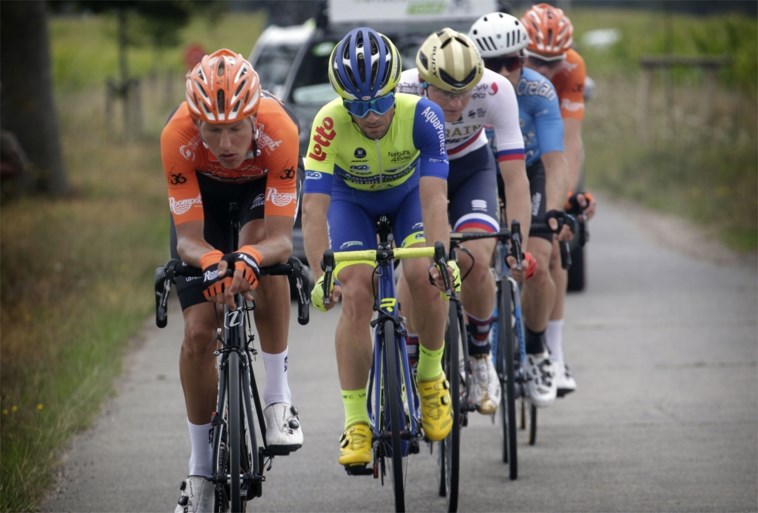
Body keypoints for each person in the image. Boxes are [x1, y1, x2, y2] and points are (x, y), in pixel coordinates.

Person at [301, 27, 455, 468]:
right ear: (342, 101)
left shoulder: (423, 115)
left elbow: (433, 198)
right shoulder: (328, 122)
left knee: (423, 274)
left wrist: (441, 255)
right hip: (353, 204)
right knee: (354, 292)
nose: (370, 116)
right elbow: (314, 208)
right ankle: (356, 422)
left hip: (408, 199)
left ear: (396, 89)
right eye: (358, 106)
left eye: (380, 102)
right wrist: (319, 274)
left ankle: (429, 376)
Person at [161, 49, 304, 512]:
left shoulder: (279, 128)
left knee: (262, 263)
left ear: (252, 116)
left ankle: (278, 398)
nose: (225, 143)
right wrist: (211, 262)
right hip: (204, 201)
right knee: (199, 332)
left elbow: (282, 240)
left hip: (256, 195)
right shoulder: (176, 136)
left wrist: (250, 258)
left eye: (236, 128)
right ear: (196, 122)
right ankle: (200, 469)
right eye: (213, 129)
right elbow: (188, 239)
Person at [395, 28, 533, 415]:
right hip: (417, 171)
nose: (457, 103)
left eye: (464, 92)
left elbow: (515, 175)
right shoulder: (401, 91)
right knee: (417, 268)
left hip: (472, 166)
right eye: (445, 93)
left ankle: (479, 358)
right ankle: (410, 366)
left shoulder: (495, 89)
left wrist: (518, 240)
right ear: (423, 84)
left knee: (475, 257)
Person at [469, 12, 572, 407]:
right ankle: (468, 349)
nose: (504, 73)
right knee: (467, 257)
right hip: (479, 170)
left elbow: (555, 161)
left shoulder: (539, 92)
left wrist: (555, 212)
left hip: (527, 171)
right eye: (492, 65)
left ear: (523, 61)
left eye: (511, 62)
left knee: (539, 258)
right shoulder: (463, 90)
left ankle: (535, 350)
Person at [521, 2, 597, 396]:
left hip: (543, 158)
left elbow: (570, 140)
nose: (546, 70)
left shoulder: (573, 68)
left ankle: (553, 352)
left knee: (550, 248)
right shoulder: (503, 65)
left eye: (554, 61)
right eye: (537, 60)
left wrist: (563, 197)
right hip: (500, 159)